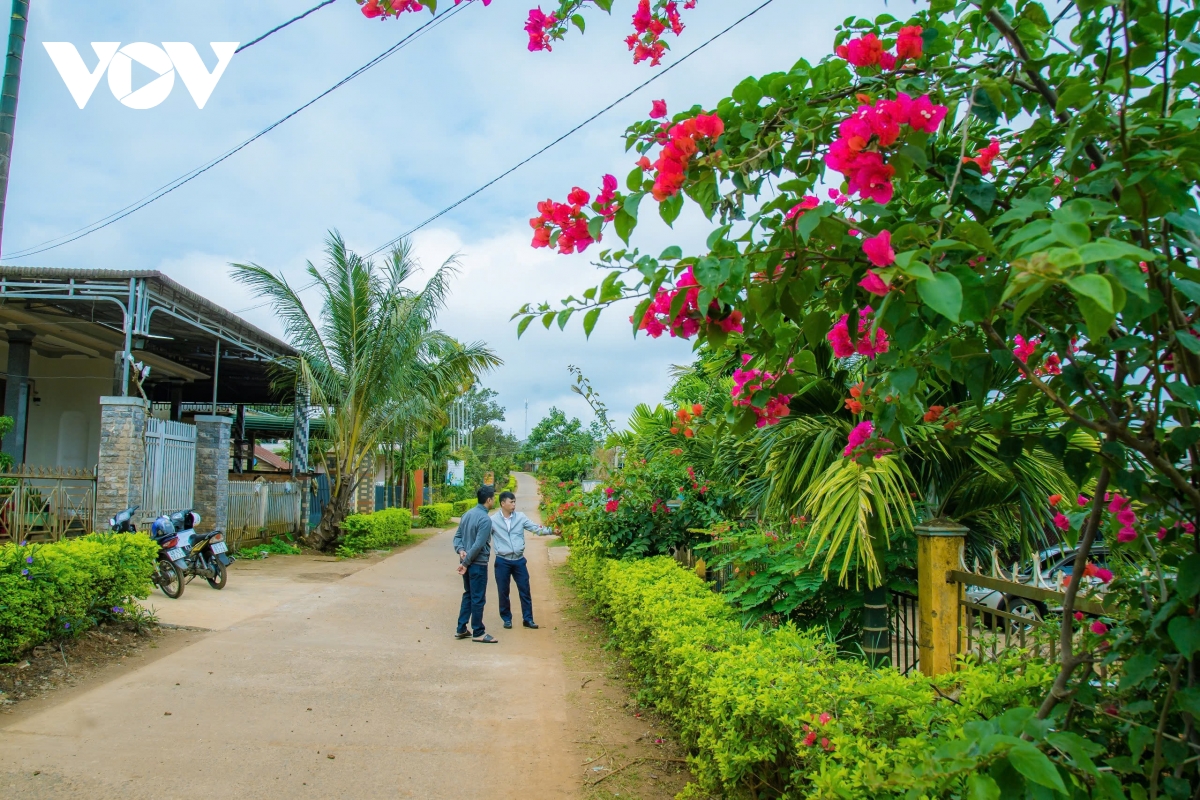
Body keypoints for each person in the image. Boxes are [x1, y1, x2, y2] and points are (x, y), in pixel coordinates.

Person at [490, 490, 552, 630]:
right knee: (503, 591)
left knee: (525, 589)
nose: (514, 504)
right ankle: (506, 619)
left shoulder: (520, 517)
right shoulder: (493, 520)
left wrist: (552, 530)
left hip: (518, 560)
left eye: (514, 502)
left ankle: (528, 619)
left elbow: (536, 528)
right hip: (502, 560)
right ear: (503, 503)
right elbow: (483, 537)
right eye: (511, 502)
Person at [453, 486, 498, 643]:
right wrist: (466, 562)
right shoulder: (485, 519)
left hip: (466, 561)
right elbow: (478, 545)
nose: (494, 500)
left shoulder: (467, 514)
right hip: (477, 563)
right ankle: (478, 631)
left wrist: (461, 551)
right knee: (478, 597)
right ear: (489, 500)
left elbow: (457, 537)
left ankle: (461, 628)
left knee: (469, 594)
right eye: (493, 498)